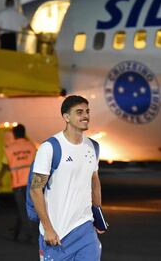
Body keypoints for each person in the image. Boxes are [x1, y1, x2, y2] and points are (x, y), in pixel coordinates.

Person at [29, 95, 104, 260]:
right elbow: (35, 190)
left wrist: (98, 216)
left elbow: (94, 181)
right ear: (66, 117)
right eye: (79, 112)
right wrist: (48, 228)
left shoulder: (93, 147)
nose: (85, 116)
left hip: (85, 230)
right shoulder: (49, 148)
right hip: (57, 234)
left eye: (87, 111)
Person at [0, 124, 38, 243]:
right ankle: (16, 234)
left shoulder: (9, 148)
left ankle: (30, 236)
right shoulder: (31, 146)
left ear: (14, 135)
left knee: (23, 210)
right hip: (32, 183)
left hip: (18, 184)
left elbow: (5, 166)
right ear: (24, 133)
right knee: (26, 209)